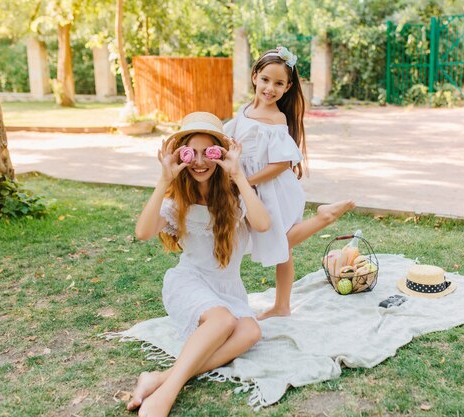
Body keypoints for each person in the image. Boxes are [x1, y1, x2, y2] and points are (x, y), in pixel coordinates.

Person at [127, 112, 271, 417]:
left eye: (211, 152)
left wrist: (238, 174)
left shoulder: (234, 195)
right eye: (193, 153)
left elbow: (262, 224)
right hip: (189, 283)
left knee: (250, 333)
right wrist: (164, 179)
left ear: (222, 154)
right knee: (223, 321)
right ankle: (166, 394)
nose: (201, 162)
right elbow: (142, 232)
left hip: (227, 290)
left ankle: (160, 378)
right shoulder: (177, 199)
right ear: (181, 155)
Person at [224, 46, 355, 320]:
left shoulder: (277, 119)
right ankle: (282, 305)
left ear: (288, 86)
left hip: (271, 187)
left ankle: (323, 218)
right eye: (266, 80)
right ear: (254, 76)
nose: (270, 88)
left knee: (278, 241)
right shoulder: (245, 109)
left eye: (279, 83)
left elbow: (281, 163)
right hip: (250, 187)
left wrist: (244, 181)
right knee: (281, 247)